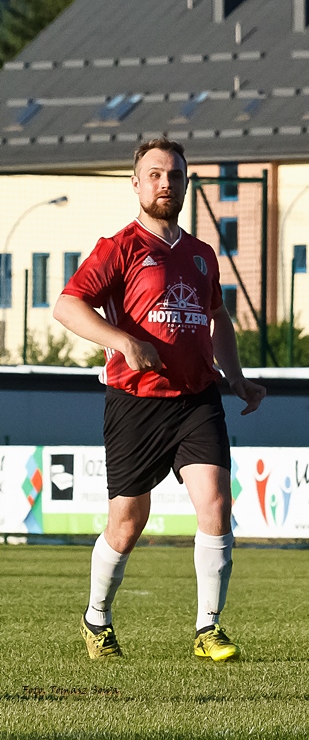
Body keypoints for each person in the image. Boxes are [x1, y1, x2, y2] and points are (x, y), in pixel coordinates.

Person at [53, 138, 266, 662]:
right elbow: (66, 306)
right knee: (128, 522)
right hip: (135, 400)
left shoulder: (201, 255)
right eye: (154, 175)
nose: (165, 183)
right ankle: (96, 618)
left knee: (216, 502)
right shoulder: (119, 246)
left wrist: (235, 378)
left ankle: (208, 629)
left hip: (197, 399)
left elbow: (218, 321)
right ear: (136, 183)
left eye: (174, 174)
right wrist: (123, 341)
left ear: (186, 183)